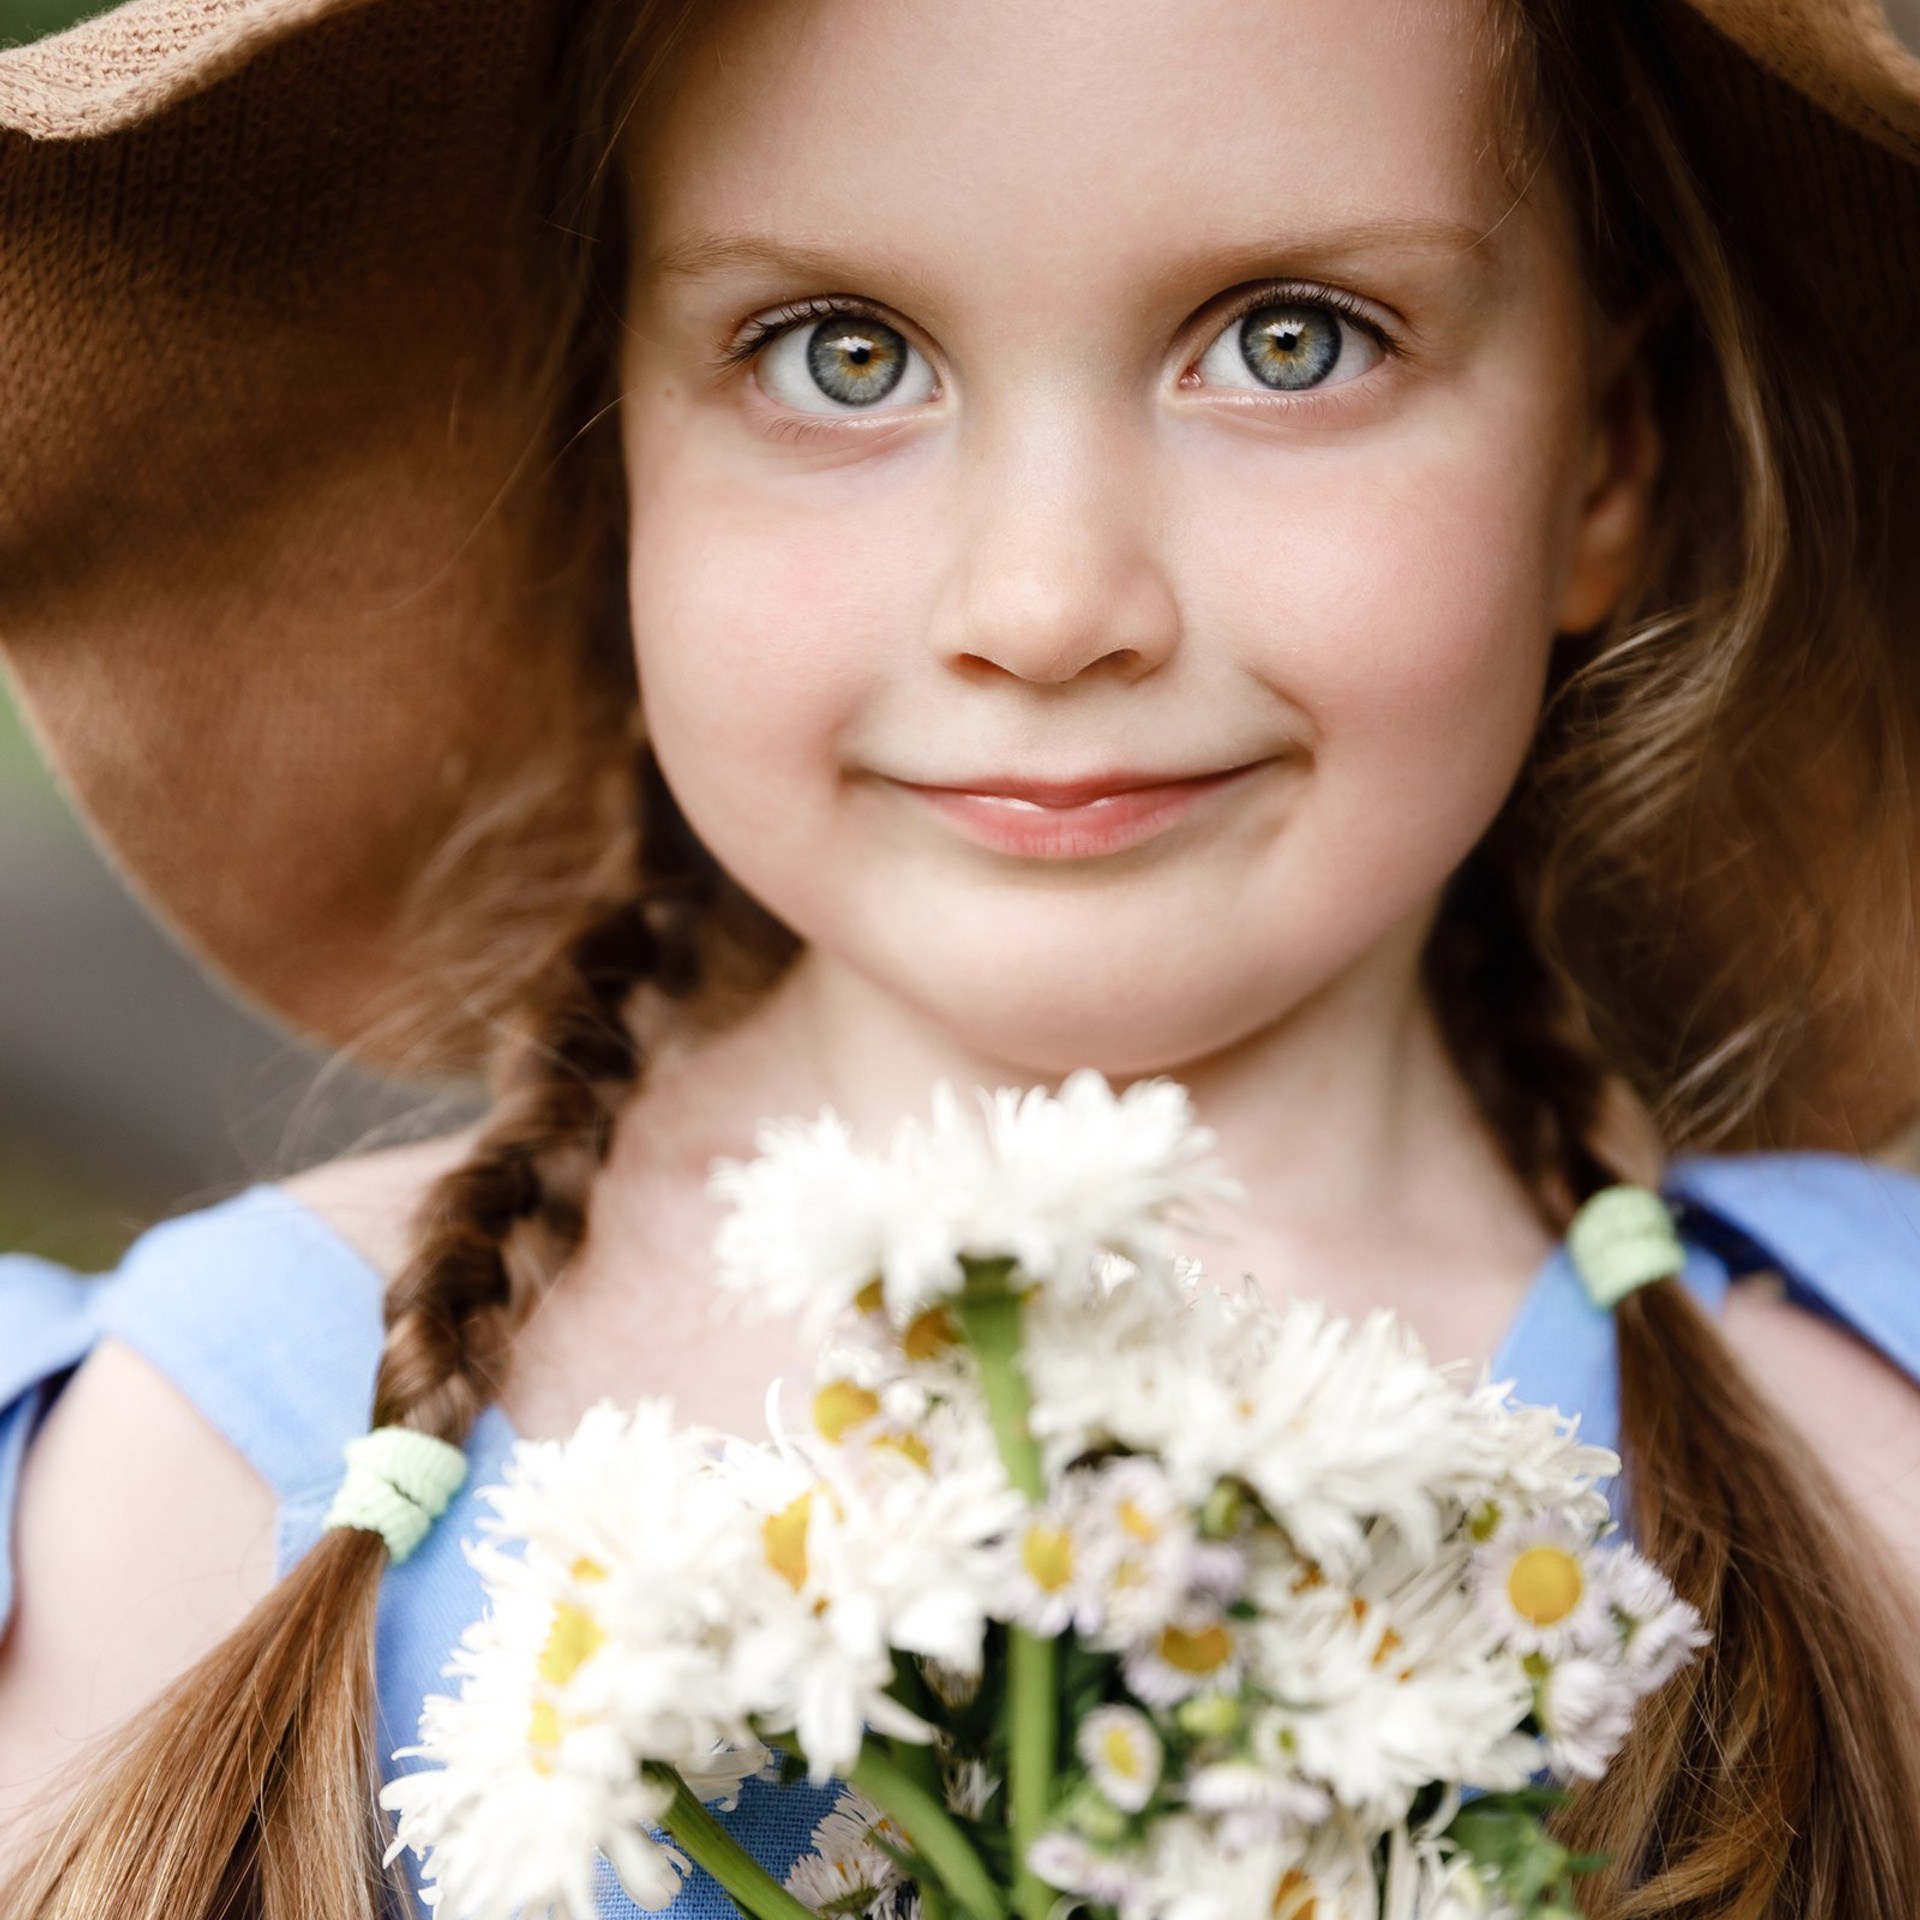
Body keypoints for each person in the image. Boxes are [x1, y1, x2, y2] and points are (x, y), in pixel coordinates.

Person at [3, 0, 1920, 1911]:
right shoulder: (201, 1489)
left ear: (1603, 459)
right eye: (840, 358)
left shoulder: (1868, 1475)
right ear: (616, 467)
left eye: (1289, 340)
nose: (1049, 603)